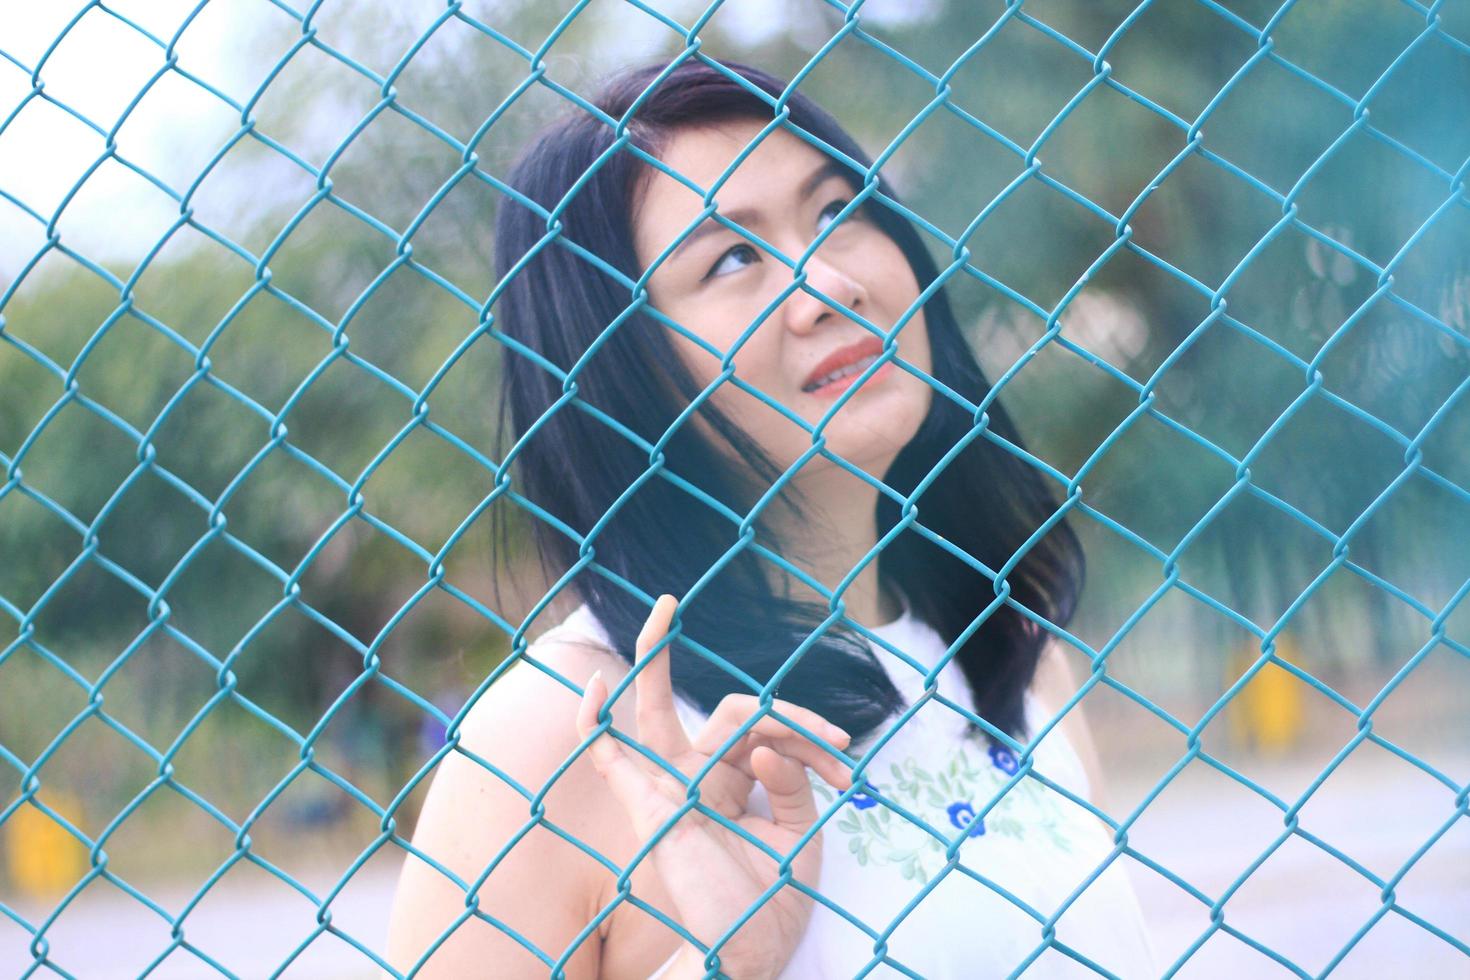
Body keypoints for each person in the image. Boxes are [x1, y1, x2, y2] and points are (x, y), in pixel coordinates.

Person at [386, 59, 1157, 978]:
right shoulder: (562, 735)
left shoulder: (1013, 658)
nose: (829, 284)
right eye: (733, 258)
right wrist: (727, 966)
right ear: (622, 369)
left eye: (839, 210)